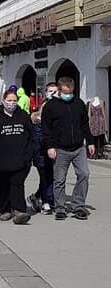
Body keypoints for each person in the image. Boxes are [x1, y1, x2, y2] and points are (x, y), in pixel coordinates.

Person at [42, 75, 96, 220]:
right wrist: (50, 147)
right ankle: (60, 208)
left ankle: (78, 205)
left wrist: (90, 142)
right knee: (59, 179)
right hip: (60, 148)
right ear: (59, 90)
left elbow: (85, 124)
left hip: (78, 147)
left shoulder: (78, 103)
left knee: (84, 174)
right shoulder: (50, 106)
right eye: (65, 92)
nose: (68, 95)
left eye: (70, 92)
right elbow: (46, 129)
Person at [0, 88, 34, 224]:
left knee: (17, 184)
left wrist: (30, 154)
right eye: (9, 100)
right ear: (3, 101)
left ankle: (19, 211)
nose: (12, 103)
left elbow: (31, 136)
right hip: (0, 159)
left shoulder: (23, 116)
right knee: (4, 184)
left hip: (21, 159)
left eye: (14, 101)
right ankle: (5, 210)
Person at [29, 83, 58, 213]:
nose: (53, 93)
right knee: (46, 177)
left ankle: (36, 197)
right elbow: (38, 137)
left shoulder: (59, 110)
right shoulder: (37, 118)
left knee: (49, 177)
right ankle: (47, 201)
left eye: (55, 91)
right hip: (41, 151)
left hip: (54, 151)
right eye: (50, 91)